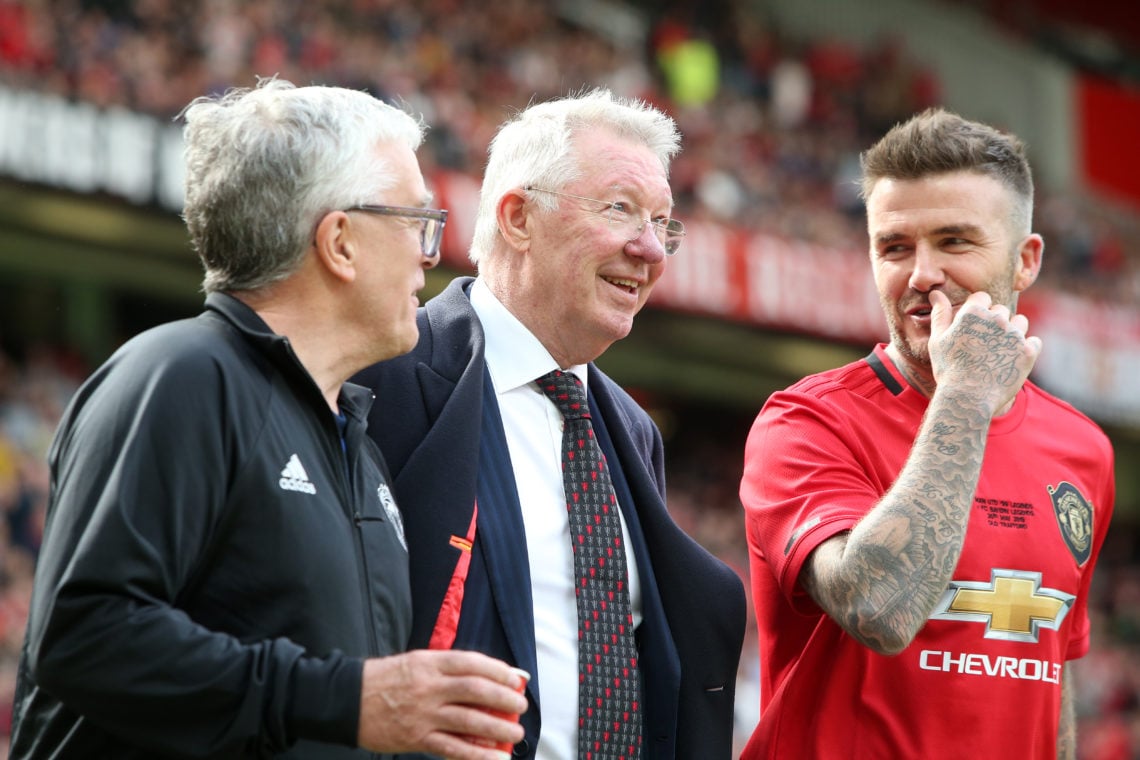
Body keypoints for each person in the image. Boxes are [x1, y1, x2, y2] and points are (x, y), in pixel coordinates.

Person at [9, 78, 528, 760]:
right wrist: (347, 699)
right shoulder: (180, 377)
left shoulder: (357, 444)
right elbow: (86, 636)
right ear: (339, 241)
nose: (429, 256)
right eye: (415, 223)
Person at [351, 88, 747, 760]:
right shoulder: (382, 374)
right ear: (518, 217)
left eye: (662, 223)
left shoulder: (630, 427)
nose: (651, 249)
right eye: (621, 209)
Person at [739, 107, 1116, 759]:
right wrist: (967, 394)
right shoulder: (806, 422)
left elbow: (1047, 671)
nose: (919, 273)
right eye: (894, 247)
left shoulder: (1083, 450)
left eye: (954, 242)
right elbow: (880, 607)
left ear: (1025, 261)